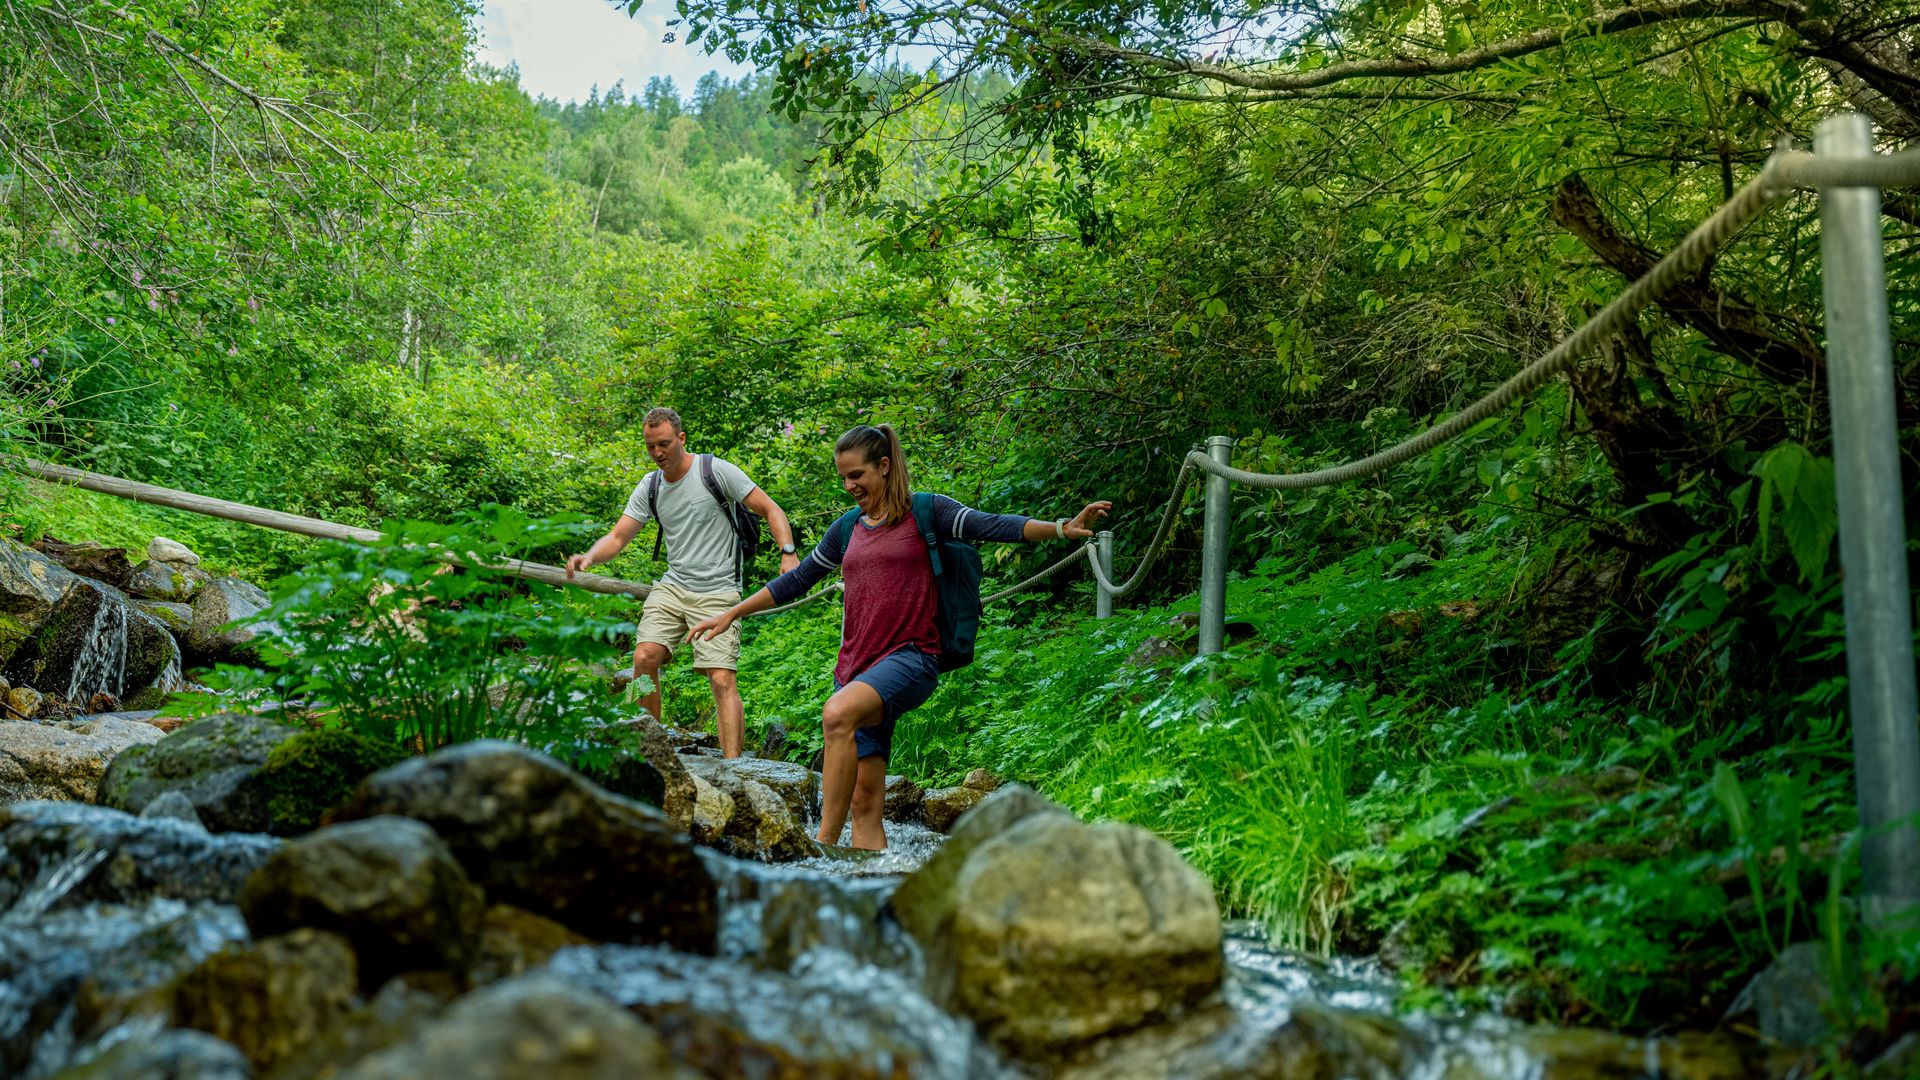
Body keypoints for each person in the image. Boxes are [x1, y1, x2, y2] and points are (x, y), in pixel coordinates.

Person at [687, 423, 1110, 850]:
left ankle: (820, 850)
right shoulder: (847, 527)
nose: (850, 485)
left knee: (836, 715)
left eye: (857, 475)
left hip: (912, 658)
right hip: (854, 667)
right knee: (865, 800)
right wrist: (732, 612)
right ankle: (870, 885)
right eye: (843, 478)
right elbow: (797, 581)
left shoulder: (928, 512)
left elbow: (994, 525)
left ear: (884, 466)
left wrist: (1060, 528)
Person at [566, 406, 800, 757]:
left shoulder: (714, 471)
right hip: (673, 587)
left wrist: (788, 551)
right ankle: (646, 749)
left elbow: (771, 509)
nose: (657, 453)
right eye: (650, 447)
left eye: (663, 444)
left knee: (721, 679)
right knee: (643, 657)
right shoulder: (651, 485)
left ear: (681, 438)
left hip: (719, 590)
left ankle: (736, 769)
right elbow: (617, 537)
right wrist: (589, 557)